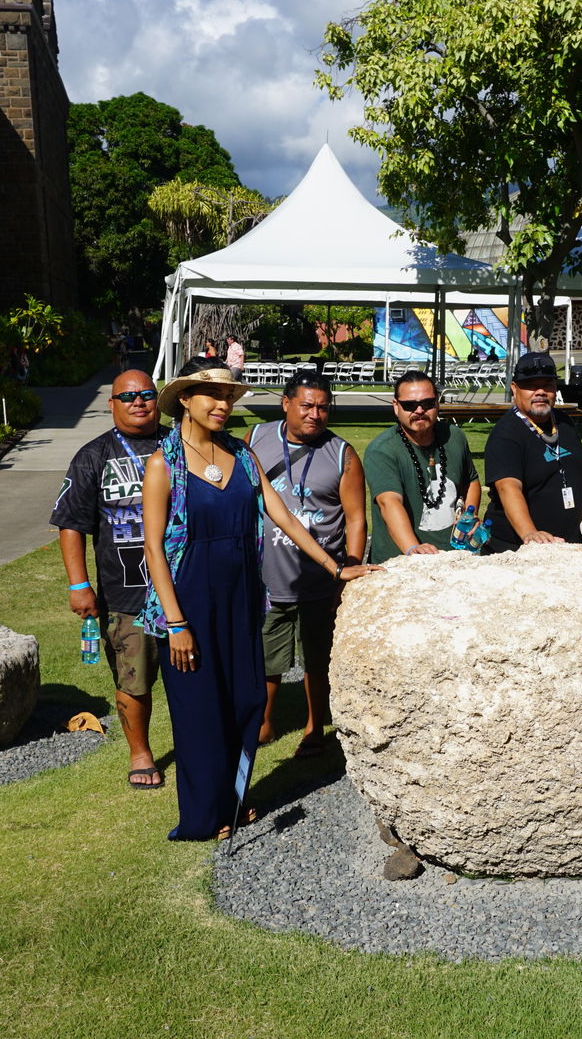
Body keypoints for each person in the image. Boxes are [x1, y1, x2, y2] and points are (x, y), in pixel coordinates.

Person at [139, 358, 378, 841]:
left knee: (244, 700)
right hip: (188, 600)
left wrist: (336, 566)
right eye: (211, 395)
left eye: (228, 397)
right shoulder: (164, 464)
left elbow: (284, 517)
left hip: (243, 596)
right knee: (200, 710)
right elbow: (153, 547)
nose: (222, 405)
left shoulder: (242, 457)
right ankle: (206, 817)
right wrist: (176, 622)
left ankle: (234, 799)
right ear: (184, 399)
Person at [51, 370, 166, 790]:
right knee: (132, 678)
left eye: (147, 394)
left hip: (184, 587)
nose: (138, 402)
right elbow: (71, 524)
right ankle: (141, 752)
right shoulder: (92, 456)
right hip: (126, 593)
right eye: (128, 396)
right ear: (112, 404)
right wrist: (79, 585)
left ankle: (196, 745)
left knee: (193, 675)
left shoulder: (179, 446)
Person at [245, 371, 366, 756]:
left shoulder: (342, 453)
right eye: (307, 406)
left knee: (318, 656)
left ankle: (315, 727)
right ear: (286, 404)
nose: (315, 414)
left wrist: (348, 570)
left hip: (320, 577)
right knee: (266, 656)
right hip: (268, 576)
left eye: (323, 407)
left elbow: (356, 518)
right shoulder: (255, 438)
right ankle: (263, 721)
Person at [482, 351, 582, 552]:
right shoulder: (506, 435)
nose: (540, 392)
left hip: (567, 544)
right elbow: (508, 488)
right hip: (518, 547)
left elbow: (577, 465)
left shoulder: (564, 422)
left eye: (547, 385)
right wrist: (530, 533)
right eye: (530, 386)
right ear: (514, 388)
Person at [365, 370, 482, 561]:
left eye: (427, 403)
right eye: (410, 405)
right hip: (400, 562)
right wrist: (413, 548)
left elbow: (471, 480)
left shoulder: (454, 437)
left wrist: (470, 515)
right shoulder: (382, 450)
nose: (419, 410)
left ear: (437, 403)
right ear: (396, 406)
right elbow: (389, 502)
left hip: (456, 557)